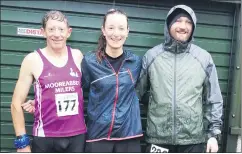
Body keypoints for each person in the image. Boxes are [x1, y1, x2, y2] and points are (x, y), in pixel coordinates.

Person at [22, 9, 143, 153]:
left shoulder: (136, 62)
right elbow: (72, 88)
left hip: (129, 136)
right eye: (111, 28)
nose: (116, 33)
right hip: (98, 136)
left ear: (127, 31)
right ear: (103, 30)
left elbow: (142, 90)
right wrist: (42, 102)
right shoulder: (90, 61)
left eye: (121, 28)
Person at [137, 5, 223, 153]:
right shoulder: (151, 56)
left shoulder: (203, 58)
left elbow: (213, 99)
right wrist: (156, 102)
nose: (183, 26)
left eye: (188, 22)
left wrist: (213, 134)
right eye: (178, 21)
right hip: (157, 139)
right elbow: (137, 93)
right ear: (169, 24)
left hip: (192, 141)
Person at [11, 10, 86, 152]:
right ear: (43, 32)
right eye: (51, 29)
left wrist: (41, 102)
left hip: (77, 136)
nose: (57, 34)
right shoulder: (32, 60)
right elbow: (16, 103)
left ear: (68, 32)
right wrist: (22, 142)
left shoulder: (77, 56)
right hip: (45, 137)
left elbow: (82, 90)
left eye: (61, 29)